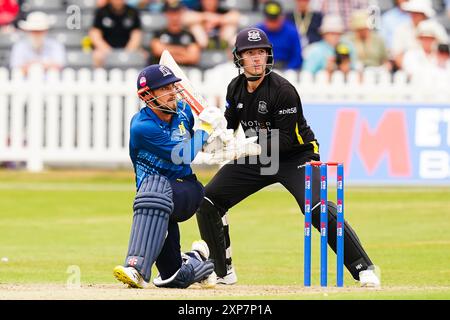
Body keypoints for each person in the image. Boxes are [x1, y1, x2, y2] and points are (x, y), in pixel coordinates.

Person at [195, 27, 381, 287]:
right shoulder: (235, 88)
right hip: (257, 155)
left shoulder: (283, 90)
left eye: (261, 52)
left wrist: (242, 146)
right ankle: (223, 271)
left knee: (316, 208)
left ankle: (363, 268)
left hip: (296, 156)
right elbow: (228, 127)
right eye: (250, 53)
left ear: (268, 55)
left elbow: (284, 140)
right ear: (239, 58)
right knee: (207, 200)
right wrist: (211, 131)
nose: (257, 58)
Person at [113, 64, 226, 289]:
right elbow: (182, 154)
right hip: (154, 204)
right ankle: (198, 260)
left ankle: (135, 269)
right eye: (164, 89)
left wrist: (216, 136)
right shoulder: (142, 127)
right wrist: (204, 128)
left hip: (187, 190)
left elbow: (193, 143)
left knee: (154, 187)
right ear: (148, 96)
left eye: (172, 86)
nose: (172, 92)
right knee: (173, 278)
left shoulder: (183, 111)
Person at [89, 0, 143, 67]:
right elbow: (95, 34)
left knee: (142, 55)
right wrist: (107, 51)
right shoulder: (101, 12)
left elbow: (136, 34)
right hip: (105, 49)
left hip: (128, 48)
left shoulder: (133, 12)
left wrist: (128, 51)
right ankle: (100, 76)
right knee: (97, 55)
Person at [150, 1, 201, 66]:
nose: (174, 17)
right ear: (166, 14)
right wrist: (182, 50)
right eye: (171, 13)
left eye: (177, 13)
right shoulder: (159, 33)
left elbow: (193, 57)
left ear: (181, 14)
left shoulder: (189, 35)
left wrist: (167, 52)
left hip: (184, 71)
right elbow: (157, 50)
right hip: (163, 71)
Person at [256, 0, 303, 70]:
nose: (272, 23)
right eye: (270, 20)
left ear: (281, 17)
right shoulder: (257, 32)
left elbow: (297, 56)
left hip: (287, 69)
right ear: (265, 18)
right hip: (264, 68)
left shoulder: (291, 31)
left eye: (275, 20)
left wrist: (288, 68)